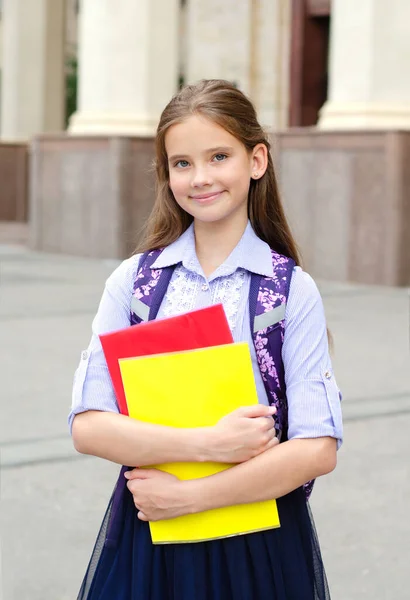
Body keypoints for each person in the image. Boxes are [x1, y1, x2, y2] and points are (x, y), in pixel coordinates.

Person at [69, 79, 343, 600]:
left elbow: (317, 448)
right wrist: (209, 445)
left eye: (219, 156)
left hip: (258, 539)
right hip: (151, 530)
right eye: (182, 163)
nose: (201, 178)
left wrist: (192, 496)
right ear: (165, 172)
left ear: (256, 160)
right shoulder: (136, 283)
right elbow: (88, 424)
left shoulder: (287, 290)